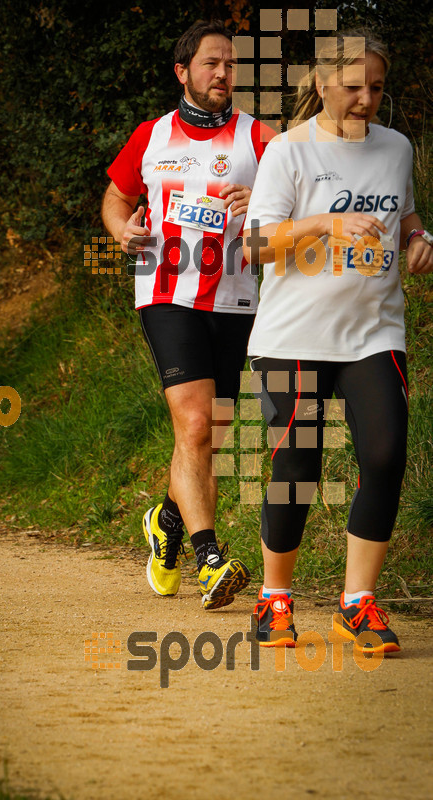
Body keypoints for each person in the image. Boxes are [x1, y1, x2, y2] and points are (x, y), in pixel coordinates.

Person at [242, 29, 433, 650]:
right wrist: (326, 221)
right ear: (321, 84)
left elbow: (404, 214)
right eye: (353, 87)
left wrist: (418, 240)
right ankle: (274, 599)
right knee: (297, 466)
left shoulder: (397, 147)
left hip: (375, 330)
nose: (366, 99)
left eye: (376, 88)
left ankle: (359, 601)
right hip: (294, 332)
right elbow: (257, 245)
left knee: (384, 455)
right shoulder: (288, 153)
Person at [102, 20, 274, 610]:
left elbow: (299, 199)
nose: (224, 74)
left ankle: (165, 521)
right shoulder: (150, 137)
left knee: (207, 437)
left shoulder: (259, 138)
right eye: (211, 64)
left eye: (230, 64)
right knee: (195, 426)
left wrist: (265, 202)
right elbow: (117, 196)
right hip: (166, 294)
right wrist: (121, 228)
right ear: (183, 72)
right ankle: (210, 558)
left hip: (236, 300)